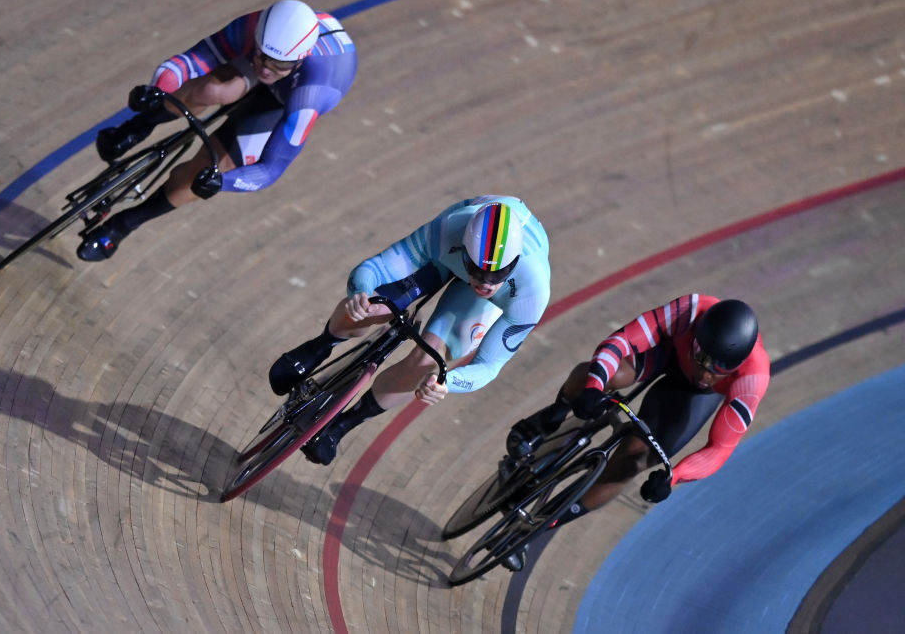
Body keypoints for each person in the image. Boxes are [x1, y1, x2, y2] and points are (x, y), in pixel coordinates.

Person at [268, 196, 551, 466]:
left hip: (489, 292)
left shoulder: (532, 290)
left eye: (496, 276)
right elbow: (374, 268)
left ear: (512, 265)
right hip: (446, 256)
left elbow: (489, 365)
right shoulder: (448, 230)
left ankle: (342, 425)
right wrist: (361, 293)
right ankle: (320, 346)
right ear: (464, 249)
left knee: (428, 363)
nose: (484, 284)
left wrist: (447, 383)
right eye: (476, 271)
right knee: (376, 306)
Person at [498, 294, 770, 571]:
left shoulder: (753, 378)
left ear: (738, 366)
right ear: (698, 335)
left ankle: (530, 530)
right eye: (701, 356)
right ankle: (548, 419)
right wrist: (594, 385)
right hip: (666, 353)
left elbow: (719, 449)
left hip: (692, 396)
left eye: (719, 369)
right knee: (608, 377)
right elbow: (623, 340)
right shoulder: (690, 310)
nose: (705, 371)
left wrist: (672, 478)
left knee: (635, 461)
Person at [77, 0, 357, 261]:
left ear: (302, 57)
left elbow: (272, 168)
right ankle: (137, 128)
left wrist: (221, 182)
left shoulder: (312, 94)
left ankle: (123, 225)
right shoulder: (253, 28)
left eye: (278, 64)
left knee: (209, 170)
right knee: (211, 88)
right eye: (262, 55)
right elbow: (188, 62)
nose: (266, 68)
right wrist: (157, 91)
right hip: (272, 63)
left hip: (285, 99)